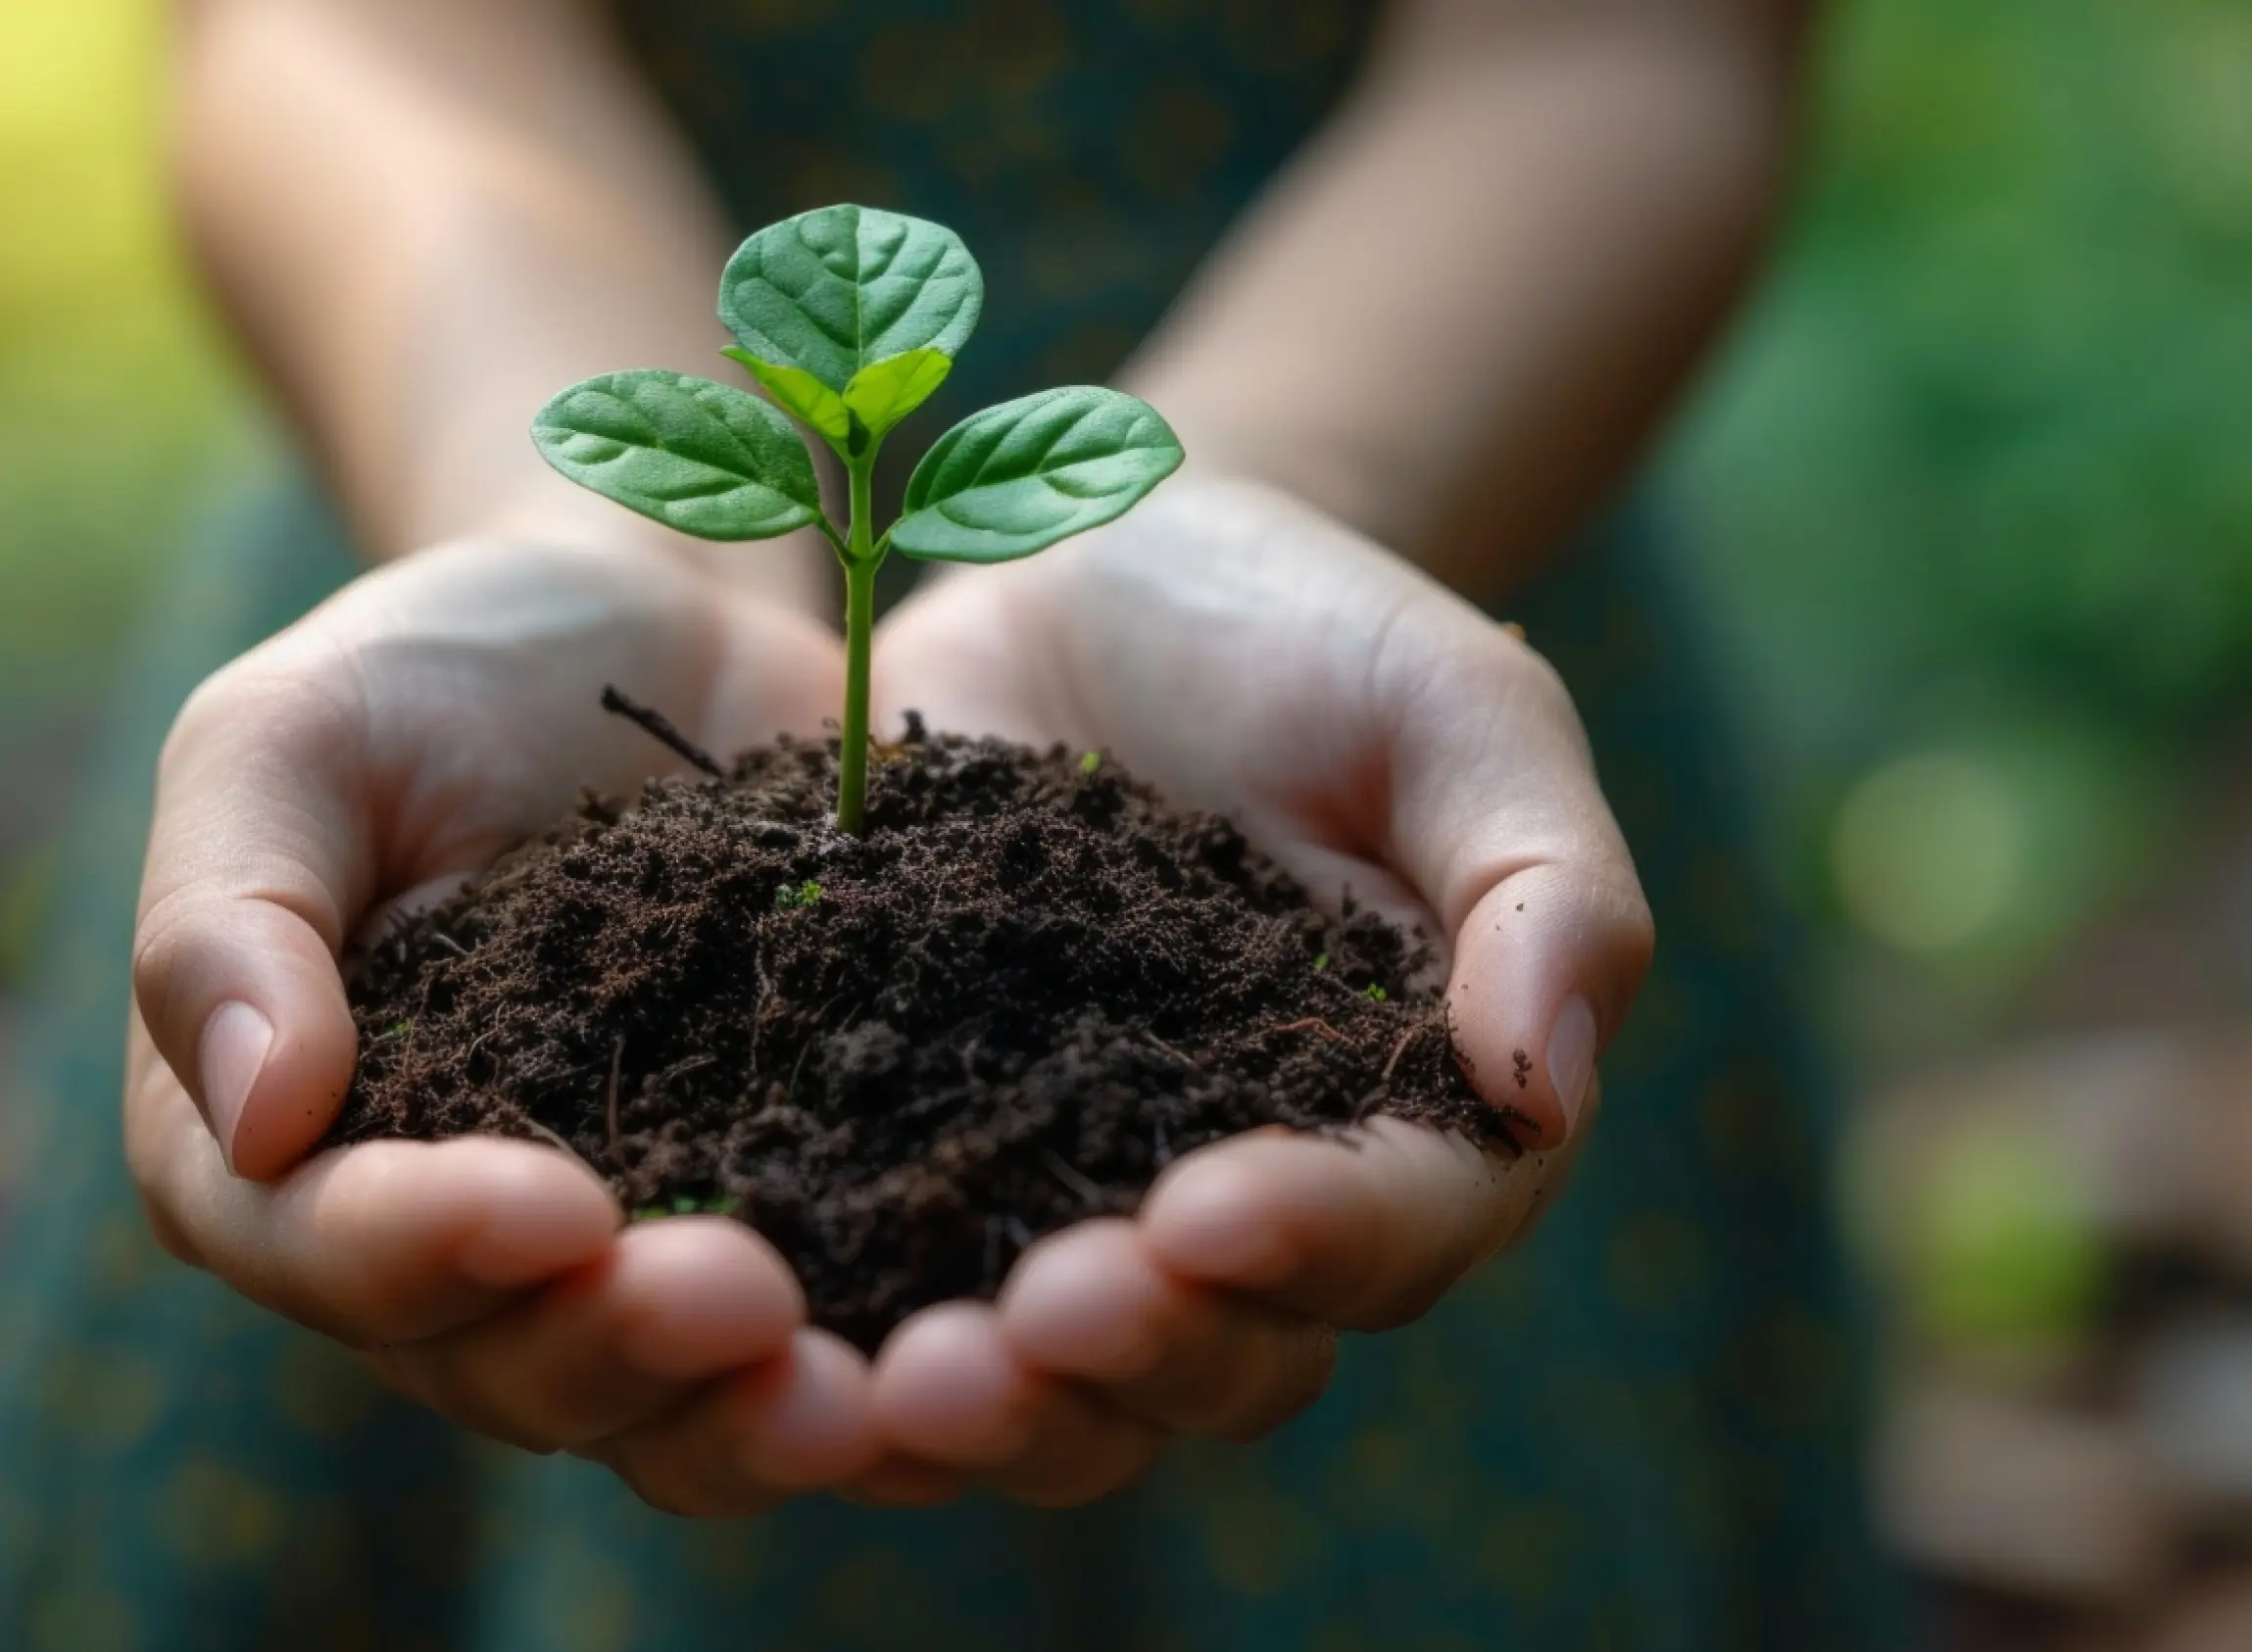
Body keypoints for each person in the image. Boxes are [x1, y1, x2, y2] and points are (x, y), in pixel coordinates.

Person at [0, 0, 1892, 1644]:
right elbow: (337, 30)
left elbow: (1625, 44)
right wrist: (579, 535)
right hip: (457, 444)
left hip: (1388, 535)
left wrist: (1276, 493)